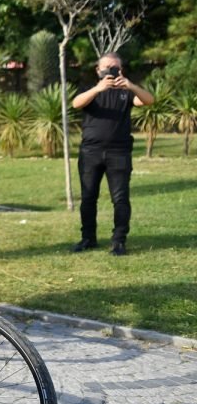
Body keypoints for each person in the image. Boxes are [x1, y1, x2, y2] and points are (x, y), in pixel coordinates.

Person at [70, 53, 153, 256]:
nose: (110, 70)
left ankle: (118, 241)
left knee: (120, 198)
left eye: (114, 67)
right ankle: (88, 238)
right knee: (88, 197)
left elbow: (149, 100)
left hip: (119, 152)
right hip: (91, 152)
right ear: (98, 70)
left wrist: (131, 85)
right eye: (106, 67)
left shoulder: (127, 91)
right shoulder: (90, 89)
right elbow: (76, 103)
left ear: (120, 70)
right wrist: (98, 89)